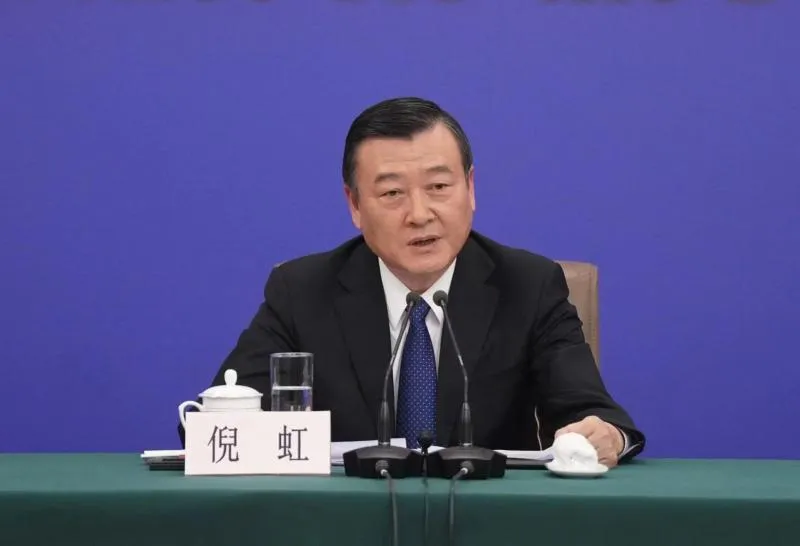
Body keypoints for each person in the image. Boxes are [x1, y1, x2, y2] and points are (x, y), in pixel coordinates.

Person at [184, 97, 645, 468]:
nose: (420, 214)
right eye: (392, 193)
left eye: (439, 187)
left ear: (470, 188)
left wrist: (603, 435)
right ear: (354, 205)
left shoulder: (529, 285)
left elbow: (596, 415)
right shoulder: (301, 291)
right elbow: (214, 428)